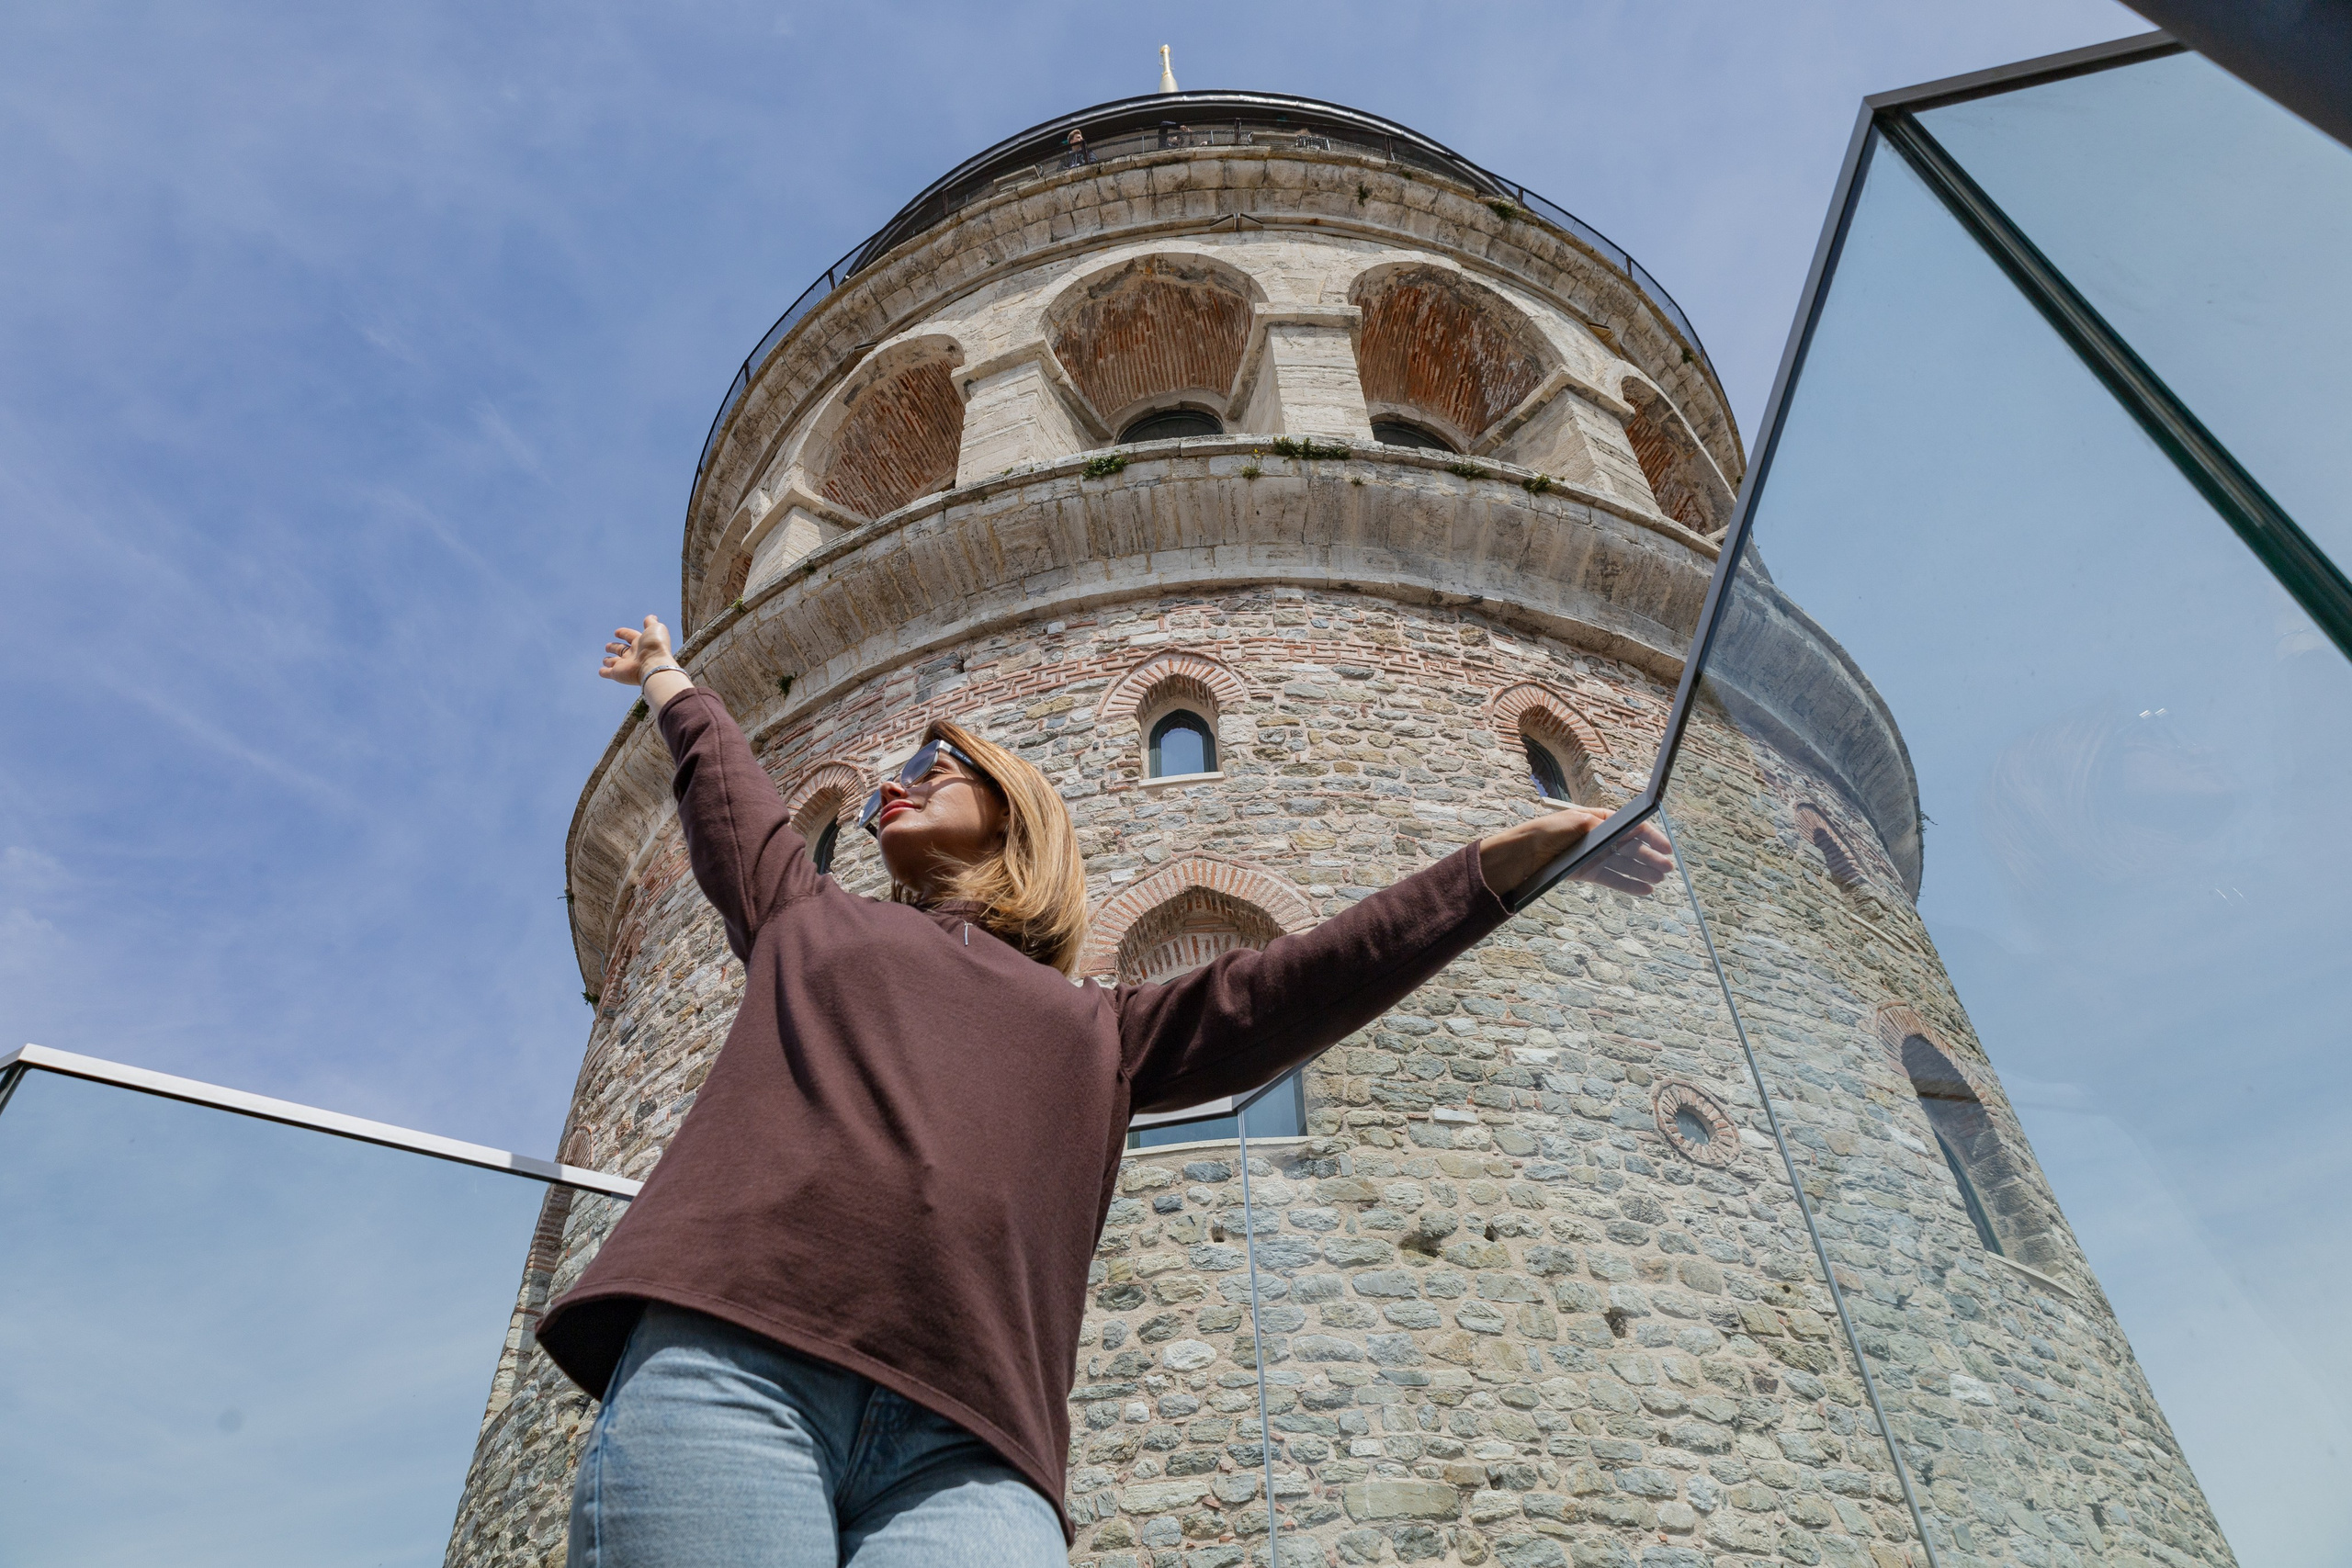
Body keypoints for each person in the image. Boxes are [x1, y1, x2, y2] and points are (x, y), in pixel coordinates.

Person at [542, 614, 1674, 1568]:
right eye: (890, 773)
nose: (897, 782)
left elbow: (1302, 979)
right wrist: (666, 678)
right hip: (742, 1361)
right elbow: (728, 792)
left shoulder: (1105, 1029)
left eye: (939, 765)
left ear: (1017, 810)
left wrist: (1502, 865)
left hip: (971, 1446)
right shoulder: (809, 919)